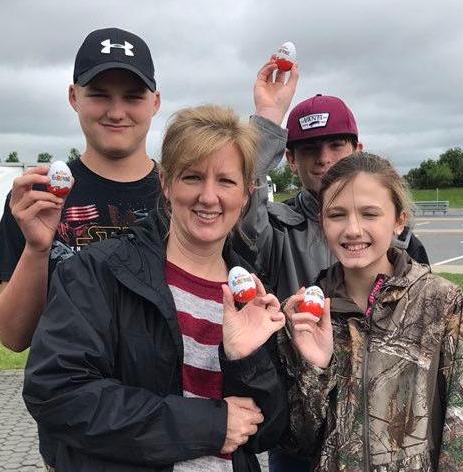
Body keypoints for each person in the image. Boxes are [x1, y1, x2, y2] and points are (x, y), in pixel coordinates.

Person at [0, 27, 296, 353]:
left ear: (155, 102)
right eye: (99, 95)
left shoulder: (189, 200)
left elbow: (239, 193)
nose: (117, 112)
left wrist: (268, 118)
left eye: (132, 97)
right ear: (74, 97)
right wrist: (37, 249)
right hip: (73, 377)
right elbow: (14, 337)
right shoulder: (40, 200)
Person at [23, 105, 288, 471]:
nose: (208, 196)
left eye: (226, 181)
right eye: (192, 177)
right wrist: (206, 425)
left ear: (246, 194)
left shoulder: (252, 293)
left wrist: (247, 361)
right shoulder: (99, 272)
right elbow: (56, 392)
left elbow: (266, 431)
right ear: (166, 182)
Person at [278, 152, 463, 471]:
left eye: (369, 214)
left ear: (399, 221)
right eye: (337, 215)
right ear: (322, 222)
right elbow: (297, 441)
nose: (353, 229)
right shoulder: (304, 316)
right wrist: (316, 371)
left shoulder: (443, 303)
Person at [236, 93, 429, 305]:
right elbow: (242, 204)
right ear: (291, 159)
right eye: (310, 149)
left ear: (358, 151)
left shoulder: (401, 241)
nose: (323, 158)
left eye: (336, 145)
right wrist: (266, 122)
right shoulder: (274, 228)